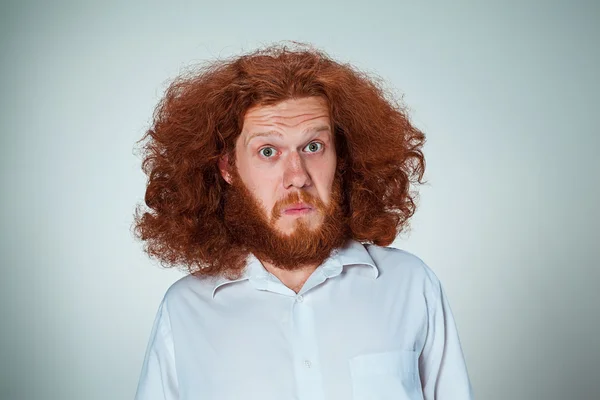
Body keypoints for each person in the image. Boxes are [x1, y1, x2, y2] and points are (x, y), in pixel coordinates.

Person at [133, 43, 473, 400]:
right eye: (268, 152)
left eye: (313, 147)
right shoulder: (185, 309)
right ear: (228, 167)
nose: (297, 176)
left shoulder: (410, 285)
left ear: (340, 157)